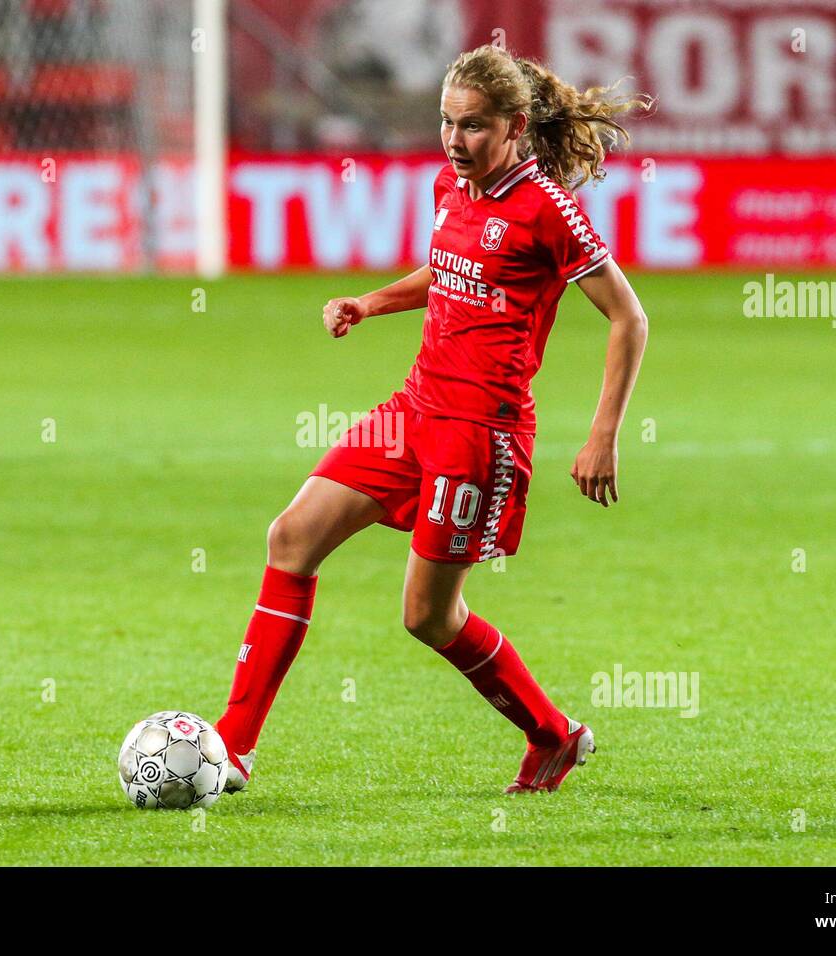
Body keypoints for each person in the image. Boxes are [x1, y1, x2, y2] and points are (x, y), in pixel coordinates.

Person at [215, 45, 650, 795]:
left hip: (479, 436)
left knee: (427, 617)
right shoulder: (455, 188)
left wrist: (603, 434)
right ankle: (232, 748)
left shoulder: (546, 208)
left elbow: (629, 317)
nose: (455, 140)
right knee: (290, 538)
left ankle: (553, 734)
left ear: (515, 126)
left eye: (474, 127)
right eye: (447, 123)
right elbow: (450, 269)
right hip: (414, 409)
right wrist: (371, 303)